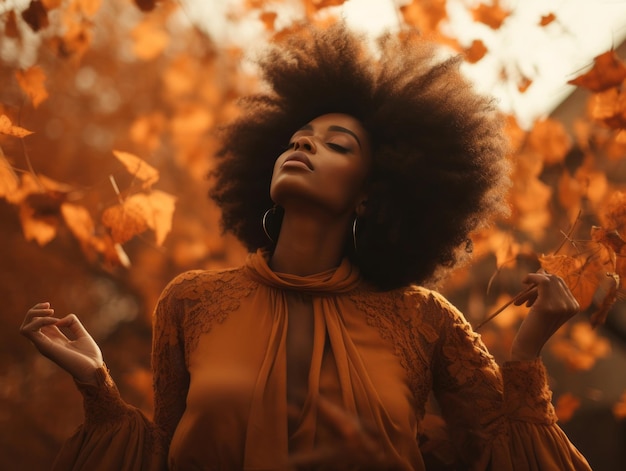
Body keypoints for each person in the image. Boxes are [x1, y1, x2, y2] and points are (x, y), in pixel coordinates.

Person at [20, 22, 592, 470]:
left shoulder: (424, 320)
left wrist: (528, 352)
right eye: (297, 140)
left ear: (371, 194)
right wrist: (96, 384)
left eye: (335, 145)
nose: (305, 147)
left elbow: (497, 454)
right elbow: (162, 457)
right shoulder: (190, 302)